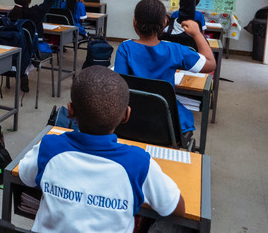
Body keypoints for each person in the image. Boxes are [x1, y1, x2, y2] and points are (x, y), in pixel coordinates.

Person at [18, 66, 185, 232]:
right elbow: (176, 207)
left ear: (70, 110)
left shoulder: (48, 147)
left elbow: (25, 177)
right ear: (126, 115)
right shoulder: (139, 163)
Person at [114, 0, 216, 133]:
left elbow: (118, 86)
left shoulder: (125, 48)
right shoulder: (175, 50)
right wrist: (197, 33)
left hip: (131, 120)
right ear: (165, 23)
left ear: (134, 21)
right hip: (168, 124)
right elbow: (210, 64)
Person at [9, 0, 54, 92]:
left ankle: (24, 69)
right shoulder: (35, 12)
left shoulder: (10, 14)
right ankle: (25, 69)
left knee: (25, 49)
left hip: (14, 47)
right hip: (34, 48)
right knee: (50, 50)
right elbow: (50, 0)